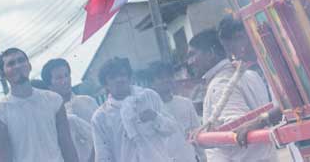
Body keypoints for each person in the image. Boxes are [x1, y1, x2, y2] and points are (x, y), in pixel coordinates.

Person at [187, 30, 277, 162]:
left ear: (211, 53)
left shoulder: (220, 84)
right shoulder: (251, 75)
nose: (190, 62)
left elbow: (239, 130)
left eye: (192, 54)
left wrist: (204, 139)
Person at [91, 57, 196, 162]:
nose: (119, 79)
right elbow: (103, 156)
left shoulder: (149, 96)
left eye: (123, 75)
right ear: (105, 84)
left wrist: (155, 117)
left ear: (130, 78)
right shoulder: (100, 117)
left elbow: (171, 128)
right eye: (112, 77)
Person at [0, 47, 79, 162]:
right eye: (11, 64)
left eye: (21, 60)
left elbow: (67, 145)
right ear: (3, 74)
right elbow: (4, 158)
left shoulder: (54, 100)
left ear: (29, 66)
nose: (17, 66)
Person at [42, 57, 99, 162]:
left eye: (66, 75)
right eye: (59, 78)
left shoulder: (88, 102)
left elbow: (101, 135)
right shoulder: (51, 116)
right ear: (49, 85)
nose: (65, 81)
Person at [147, 62, 203, 160]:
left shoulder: (186, 103)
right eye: (160, 77)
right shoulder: (150, 111)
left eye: (169, 76)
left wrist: (203, 157)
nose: (166, 80)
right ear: (152, 83)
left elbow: (197, 132)